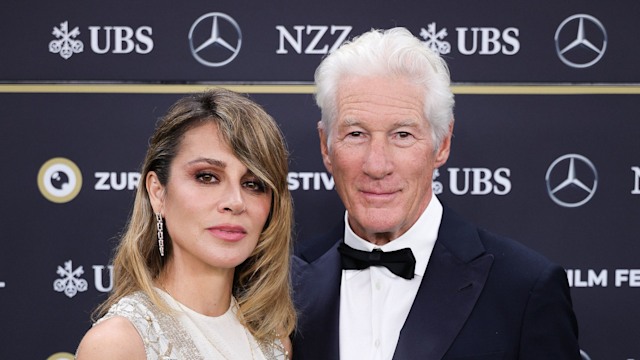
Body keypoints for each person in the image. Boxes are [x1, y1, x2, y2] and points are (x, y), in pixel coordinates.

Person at [291, 27, 580, 359]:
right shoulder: (282, 283)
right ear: (326, 147)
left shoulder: (525, 288)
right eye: (356, 133)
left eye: (402, 134)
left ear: (442, 143)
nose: (377, 165)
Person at [76, 88, 296, 360]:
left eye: (253, 184)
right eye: (207, 177)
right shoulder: (120, 344)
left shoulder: (274, 341)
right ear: (158, 192)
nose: (235, 201)